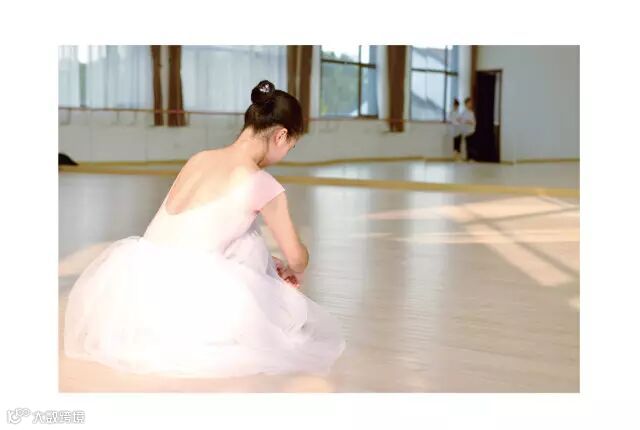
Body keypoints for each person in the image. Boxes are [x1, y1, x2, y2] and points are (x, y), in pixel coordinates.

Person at [64, 80, 346, 378]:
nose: (287, 152)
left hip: (136, 288)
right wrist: (293, 266)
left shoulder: (198, 159)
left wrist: (267, 262)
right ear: (281, 135)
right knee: (288, 315)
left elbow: (195, 228)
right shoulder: (261, 182)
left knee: (248, 237)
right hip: (188, 295)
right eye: (291, 146)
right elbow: (297, 258)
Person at [460, 97, 477, 162]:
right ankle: (468, 158)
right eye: (469, 103)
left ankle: (472, 158)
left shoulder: (471, 113)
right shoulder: (463, 113)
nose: (470, 104)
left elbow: (474, 122)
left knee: (472, 145)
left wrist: (471, 122)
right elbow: (461, 120)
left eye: (471, 103)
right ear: (466, 104)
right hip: (466, 132)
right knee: (468, 146)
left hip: (471, 131)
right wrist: (466, 121)